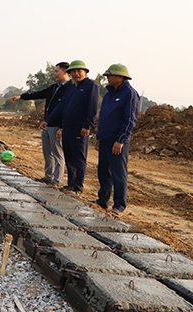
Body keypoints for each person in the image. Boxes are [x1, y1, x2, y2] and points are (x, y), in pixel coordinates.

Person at [9, 62, 71, 186]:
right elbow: (37, 93)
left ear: (65, 72)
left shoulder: (70, 89)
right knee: (47, 152)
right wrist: (21, 96)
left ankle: (57, 181)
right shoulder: (54, 88)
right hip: (46, 124)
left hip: (57, 126)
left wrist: (63, 127)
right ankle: (49, 176)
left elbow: (69, 110)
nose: (55, 74)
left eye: (56, 71)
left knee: (58, 154)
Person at [45, 60, 100, 194]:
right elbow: (61, 106)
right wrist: (48, 120)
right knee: (69, 156)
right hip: (68, 127)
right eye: (73, 72)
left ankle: (78, 187)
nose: (76, 74)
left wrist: (87, 125)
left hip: (80, 128)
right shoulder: (72, 88)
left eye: (79, 71)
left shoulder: (90, 86)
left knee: (79, 158)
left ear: (85, 72)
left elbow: (92, 107)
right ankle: (71, 183)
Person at [94, 64, 139, 216]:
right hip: (106, 139)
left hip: (117, 141)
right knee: (103, 171)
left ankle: (119, 205)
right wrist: (99, 137)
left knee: (118, 174)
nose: (107, 78)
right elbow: (103, 117)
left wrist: (121, 140)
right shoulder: (108, 94)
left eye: (109, 75)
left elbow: (129, 120)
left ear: (119, 77)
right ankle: (103, 200)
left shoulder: (130, 94)